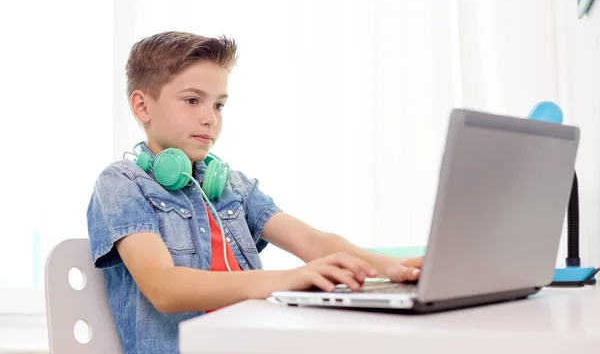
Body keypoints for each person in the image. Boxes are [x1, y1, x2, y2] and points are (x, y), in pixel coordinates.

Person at [87, 31, 423, 353]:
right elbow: (163, 287)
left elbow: (312, 243)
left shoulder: (232, 186)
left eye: (218, 105)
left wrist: (392, 268)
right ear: (142, 107)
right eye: (192, 100)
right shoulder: (123, 183)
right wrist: (289, 279)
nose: (209, 118)